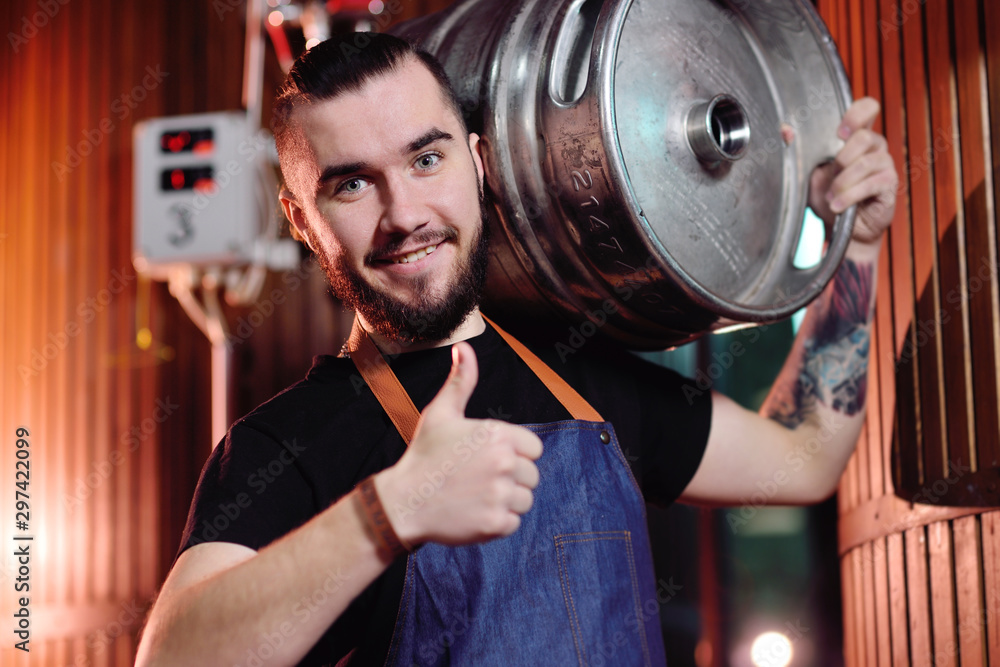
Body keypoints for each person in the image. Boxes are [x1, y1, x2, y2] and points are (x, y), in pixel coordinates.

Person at [135, 31, 898, 667]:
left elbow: (805, 459)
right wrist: (391, 511)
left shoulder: (579, 375)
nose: (405, 215)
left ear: (477, 160)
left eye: (426, 159)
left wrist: (855, 251)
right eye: (352, 185)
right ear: (301, 218)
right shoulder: (288, 443)